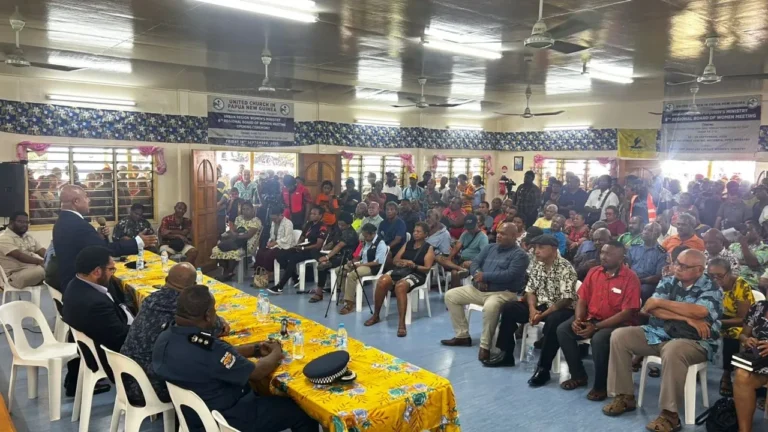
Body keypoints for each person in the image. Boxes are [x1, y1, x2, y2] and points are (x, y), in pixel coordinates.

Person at [152, 286, 319, 432]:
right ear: (208, 315)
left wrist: (254, 349)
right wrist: (276, 351)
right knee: (301, 411)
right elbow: (256, 373)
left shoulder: (165, 336)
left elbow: (216, 356)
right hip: (229, 417)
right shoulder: (211, 348)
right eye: (214, 310)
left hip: (193, 414)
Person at [602, 250, 723, 432]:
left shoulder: (712, 288)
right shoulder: (669, 280)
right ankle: (624, 396)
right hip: (659, 332)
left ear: (699, 270)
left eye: (684, 266)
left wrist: (662, 303)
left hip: (696, 341)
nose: (678, 268)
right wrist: (685, 318)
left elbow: (699, 311)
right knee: (620, 336)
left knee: (674, 350)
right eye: (677, 263)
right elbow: (650, 308)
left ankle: (670, 415)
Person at [554, 240, 640, 400]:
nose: (604, 257)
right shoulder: (594, 272)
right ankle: (578, 375)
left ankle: (601, 386)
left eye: (609, 254)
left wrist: (597, 327)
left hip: (617, 324)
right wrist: (579, 319)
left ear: (621, 258)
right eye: (602, 252)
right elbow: (582, 299)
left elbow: (627, 313)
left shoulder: (630, 278)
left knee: (599, 339)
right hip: (591, 318)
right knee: (563, 330)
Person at [487, 234, 578, 373]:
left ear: (554, 249)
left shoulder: (566, 268)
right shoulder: (538, 265)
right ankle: (506, 354)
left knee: (554, 321)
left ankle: (543, 367)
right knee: (509, 308)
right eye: (535, 247)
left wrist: (542, 315)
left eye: (541, 248)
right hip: (539, 305)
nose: (536, 251)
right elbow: (530, 291)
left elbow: (566, 300)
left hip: (560, 308)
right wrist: (532, 309)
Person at [440, 223, 530, 362]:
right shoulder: (490, 247)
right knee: (451, 295)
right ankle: (462, 336)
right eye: (498, 232)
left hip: (503, 293)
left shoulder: (520, 255)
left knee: (490, 307)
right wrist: (478, 275)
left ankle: (485, 347)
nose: (498, 235)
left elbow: (510, 274)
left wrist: (485, 276)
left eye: (503, 234)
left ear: (514, 236)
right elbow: (475, 263)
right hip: (479, 290)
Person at [120, 263, 206, 404]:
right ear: (193, 287)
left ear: (166, 280)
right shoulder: (182, 307)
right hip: (151, 387)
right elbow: (209, 327)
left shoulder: (150, 299)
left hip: (126, 376)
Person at [53, 185, 157, 291]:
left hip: (70, 281)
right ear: (76, 201)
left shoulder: (63, 221)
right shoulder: (78, 224)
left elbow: (84, 246)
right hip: (82, 287)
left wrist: (98, 237)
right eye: (86, 197)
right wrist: (137, 242)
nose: (89, 200)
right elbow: (105, 250)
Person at [63, 246, 133, 396]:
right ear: (96, 272)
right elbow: (120, 337)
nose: (113, 273)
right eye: (111, 269)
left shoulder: (75, 284)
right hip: (109, 355)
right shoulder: (94, 303)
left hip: (95, 340)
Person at [365, 222, 435, 337]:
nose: (415, 233)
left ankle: (402, 323)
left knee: (401, 286)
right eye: (414, 231)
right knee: (382, 280)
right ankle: (376, 315)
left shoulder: (428, 248)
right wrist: (403, 262)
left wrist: (414, 265)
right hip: (401, 270)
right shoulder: (408, 244)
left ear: (425, 234)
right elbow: (395, 259)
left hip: (417, 274)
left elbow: (427, 268)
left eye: (419, 232)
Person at [706, 258, 755, 397]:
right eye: (711, 276)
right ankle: (695, 366)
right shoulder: (707, 283)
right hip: (715, 318)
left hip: (738, 322)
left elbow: (743, 319)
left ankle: (726, 374)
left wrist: (717, 322)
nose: (715, 279)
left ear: (729, 273)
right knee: (695, 327)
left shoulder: (740, 286)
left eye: (720, 276)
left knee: (734, 333)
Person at [268, 206, 327, 294]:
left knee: (293, 259)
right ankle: (295, 277)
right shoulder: (309, 224)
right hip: (302, 247)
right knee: (281, 255)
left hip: (312, 251)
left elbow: (318, 245)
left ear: (321, 215)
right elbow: (302, 237)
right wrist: (298, 245)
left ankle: (280, 286)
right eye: (311, 213)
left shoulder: (322, 227)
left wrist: (303, 248)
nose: (311, 215)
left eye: (314, 214)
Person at [733, 299, 768, 432]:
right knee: (742, 375)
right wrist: (747, 340)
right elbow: (743, 334)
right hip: (760, 359)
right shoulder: (758, 307)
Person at [337, 223, 388, 315]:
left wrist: (359, 265)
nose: (364, 238)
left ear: (373, 234)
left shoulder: (380, 243)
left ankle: (349, 303)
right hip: (362, 264)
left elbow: (378, 262)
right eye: (363, 236)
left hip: (373, 268)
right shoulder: (366, 242)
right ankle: (350, 295)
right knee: (340, 270)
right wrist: (352, 262)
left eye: (366, 236)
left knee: (352, 274)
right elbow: (360, 256)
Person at [309, 212, 359, 303]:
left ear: (348, 224)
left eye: (342, 225)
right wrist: (327, 246)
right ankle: (319, 290)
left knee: (322, 266)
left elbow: (339, 246)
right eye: (339, 224)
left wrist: (327, 257)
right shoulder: (339, 230)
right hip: (336, 255)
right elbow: (334, 242)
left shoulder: (350, 233)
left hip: (346, 257)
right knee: (315, 253)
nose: (340, 226)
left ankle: (319, 292)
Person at [211, 202, 262, 281]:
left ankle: (228, 272)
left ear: (252, 210)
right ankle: (227, 271)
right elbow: (234, 229)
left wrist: (236, 236)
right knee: (216, 249)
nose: (245, 211)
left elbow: (249, 235)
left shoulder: (256, 221)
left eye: (247, 209)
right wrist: (232, 233)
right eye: (243, 209)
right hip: (236, 241)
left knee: (231, 249)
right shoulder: (239, 218)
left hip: (247, 244)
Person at [436, 215, 489, 289]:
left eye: (472, 227)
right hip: (460, 260)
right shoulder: (465, 234)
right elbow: (457, 246)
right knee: (438, 257)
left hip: (472, 262)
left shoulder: (483, 237)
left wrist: (472, 262)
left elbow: (484, 255)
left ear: (477, 224)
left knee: (455, 273)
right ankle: (459, 268)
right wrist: (449, 258)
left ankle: (455, 294)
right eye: (468, 228)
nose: (470, 230)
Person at [0, 211, 46, 289]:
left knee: (57, 267)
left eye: (26, 222)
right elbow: (19, 256)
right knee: (49, 270)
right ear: (11, 222)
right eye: (20, 222)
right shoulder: (3, 238)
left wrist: (52, 259)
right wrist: (41, 262)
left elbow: (41, 250)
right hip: (16, 276)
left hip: (33, 270)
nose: (24, 224)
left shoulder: (27, 236)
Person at [626, 222, 667, 303]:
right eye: (645, 229)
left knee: (643, 290)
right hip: (630, 278)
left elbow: (658, 276)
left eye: (650, 230)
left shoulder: (661, 253)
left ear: (657, 235)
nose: (645, 232)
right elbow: (626, 266)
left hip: (647, 282)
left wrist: (639, 281)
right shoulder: (634, 248)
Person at [253, 207, 295, 281]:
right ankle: (259, 272)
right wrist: (270, 241)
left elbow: (287, 239)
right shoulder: (273, 222)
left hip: (285, 246)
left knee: (269, 254)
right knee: (260, 251)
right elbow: (272, 235)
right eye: (272, 219)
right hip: (275, 245)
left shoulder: (288, 223)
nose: (273, 220)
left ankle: (268, 273)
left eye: (275, 218)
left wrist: (275, 243)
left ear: (280, 215)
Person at [728, 220, 768, 289]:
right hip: (729, 281)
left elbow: (753, 263)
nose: (744, 232)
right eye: (744, 230)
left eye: (749, 230)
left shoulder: (764, 248)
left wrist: (744, 244)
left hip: (749, 283)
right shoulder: (734, 246)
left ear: (758, 232)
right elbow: (726, 260)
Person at [158, 202, 198, 266]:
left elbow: (184, 232)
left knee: (194, 252)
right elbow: (163, 233)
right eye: (179, 208)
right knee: (164, 255)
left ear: (185, 211)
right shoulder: (166, 219)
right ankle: (169, 272)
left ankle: (184, 269)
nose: (181, 211)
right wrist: (179, 235)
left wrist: (169, 231)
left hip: (183, 244)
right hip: (168, 243)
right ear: (175, 208)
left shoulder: (187, 221)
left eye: (183, 209)